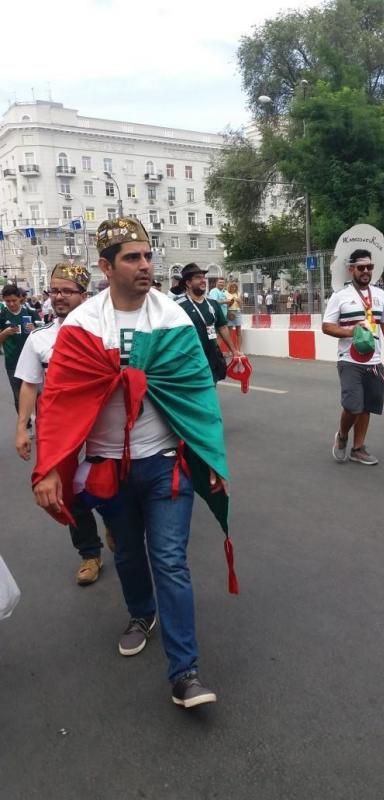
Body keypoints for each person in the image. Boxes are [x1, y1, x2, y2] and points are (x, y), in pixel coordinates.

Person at [32, 217, 236, 708]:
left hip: (165, 462)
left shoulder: (172, 317)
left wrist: (211, 456)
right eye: (132, 257)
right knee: (125, 554)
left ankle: (185, 672)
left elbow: (197, 394)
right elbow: (58, 402)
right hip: (107, 466)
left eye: (148, 256)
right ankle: (141, 614)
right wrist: (47, 469)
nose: (146, 265)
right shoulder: (80, 326)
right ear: (106, 266)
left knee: (170, 560)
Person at [14, 262, 105, 585]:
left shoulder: (100, 333)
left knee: (109, 478)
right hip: (60, 429)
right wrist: (23, 427)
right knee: (65, 488)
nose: (60, 297)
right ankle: (89, 554)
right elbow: (29, 383)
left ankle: (114, 523)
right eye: (55, 291)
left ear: (84, 295)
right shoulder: (40, 339)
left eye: (68, 291)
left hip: (99, 422)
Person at [323, 248, 384, 465]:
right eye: (361, 267)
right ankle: (342, 435)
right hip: (349, 359)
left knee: (367, 406)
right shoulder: (340, 296)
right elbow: (326, 326)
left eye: (369, 267)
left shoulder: (379, 294)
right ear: (351, 270)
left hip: (374, 360)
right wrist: (351, 331)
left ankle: (358, 449)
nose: (366, 271)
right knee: (353, 405)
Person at [175, 263, 242, 381]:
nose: (203, 281)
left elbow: (222, 327)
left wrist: (234, 350)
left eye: (203, 278)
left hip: (212, 357)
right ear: (188, 283)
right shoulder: (178, 306)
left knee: (211, 390)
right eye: (198, 278)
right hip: (190, 360)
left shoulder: (213, 304)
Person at [0, 284, 37, 415]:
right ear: (3, 299)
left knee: (37, 396)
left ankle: (40, 423)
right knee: (19, 397)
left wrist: (35, 330)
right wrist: (5, 333)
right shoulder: (2, 316)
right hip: (12, 363)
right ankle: (25, 426)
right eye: (7, 301)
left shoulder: (30, 313)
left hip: (32, 362)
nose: (11, 304)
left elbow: (42, 336)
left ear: (20, 298)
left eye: (14, 300)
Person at [225, 280, 243, 350]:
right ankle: (231, 350)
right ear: (229, 287)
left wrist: (240, 302)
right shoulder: (225, 293)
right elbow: (225, 305)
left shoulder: (238, 293)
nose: (233, 288)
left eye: (235, 287)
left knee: (239, 332)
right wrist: (229, 303)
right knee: (229, 333)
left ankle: (239, 349)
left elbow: (241, 305)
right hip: (229, 312)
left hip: (237, 312)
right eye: (232, 287)